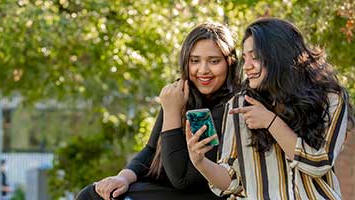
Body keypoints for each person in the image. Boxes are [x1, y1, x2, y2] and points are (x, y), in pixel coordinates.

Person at [186, 17, 352, 199]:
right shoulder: (240, 105)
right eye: (245, 58)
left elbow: (319, 163)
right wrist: (200, 162)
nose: (247, 66)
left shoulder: (329, 98)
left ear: (279, 56)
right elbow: (232, 181)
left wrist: (270, 121)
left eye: (255, 57)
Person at [76, 22, 240, 200]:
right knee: (94, 194)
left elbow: (182, 179)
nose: (203, 70)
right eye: (195, 61)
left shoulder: (229, 106)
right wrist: (123, 177)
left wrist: (171, 112)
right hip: (167, 189)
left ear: (229, 63)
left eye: (214, 61)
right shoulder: (181, 94)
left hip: (204, 193)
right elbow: (151, 150)